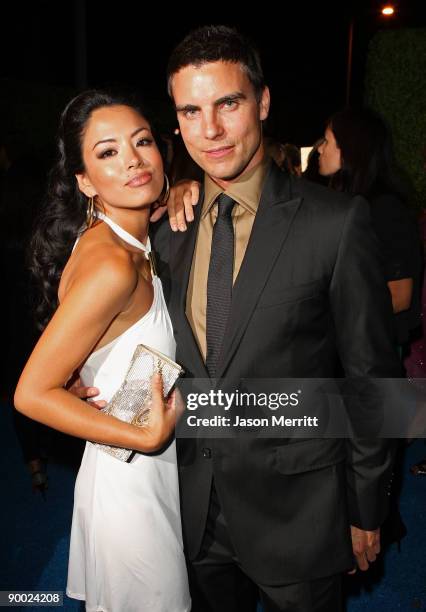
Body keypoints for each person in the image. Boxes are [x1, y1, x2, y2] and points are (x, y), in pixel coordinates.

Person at [151, 26, 402, 612]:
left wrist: (368, 505)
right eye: (191, 110)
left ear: (262, 103)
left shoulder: (336, 223)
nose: (208, 130)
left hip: (301, 513)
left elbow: (374, 379)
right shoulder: (166, 231)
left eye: (227, 104)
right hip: (192, 508)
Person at [14, 90, 191, 612]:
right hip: (129, 484)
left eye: (141, 142)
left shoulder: (124, 238)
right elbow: (30, 393)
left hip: (133, 474)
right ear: (85, 181)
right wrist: (142, 431)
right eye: (108, 152)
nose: (133, 158)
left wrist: (186, 188)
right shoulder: (112, 263)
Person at [317, 108, 422, 350]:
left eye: (327, 141)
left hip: (372, 351)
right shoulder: (348, 202)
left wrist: (323, 312)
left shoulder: (385, 208)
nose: (320, 148)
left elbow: (399, 295)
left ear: (350, 149)